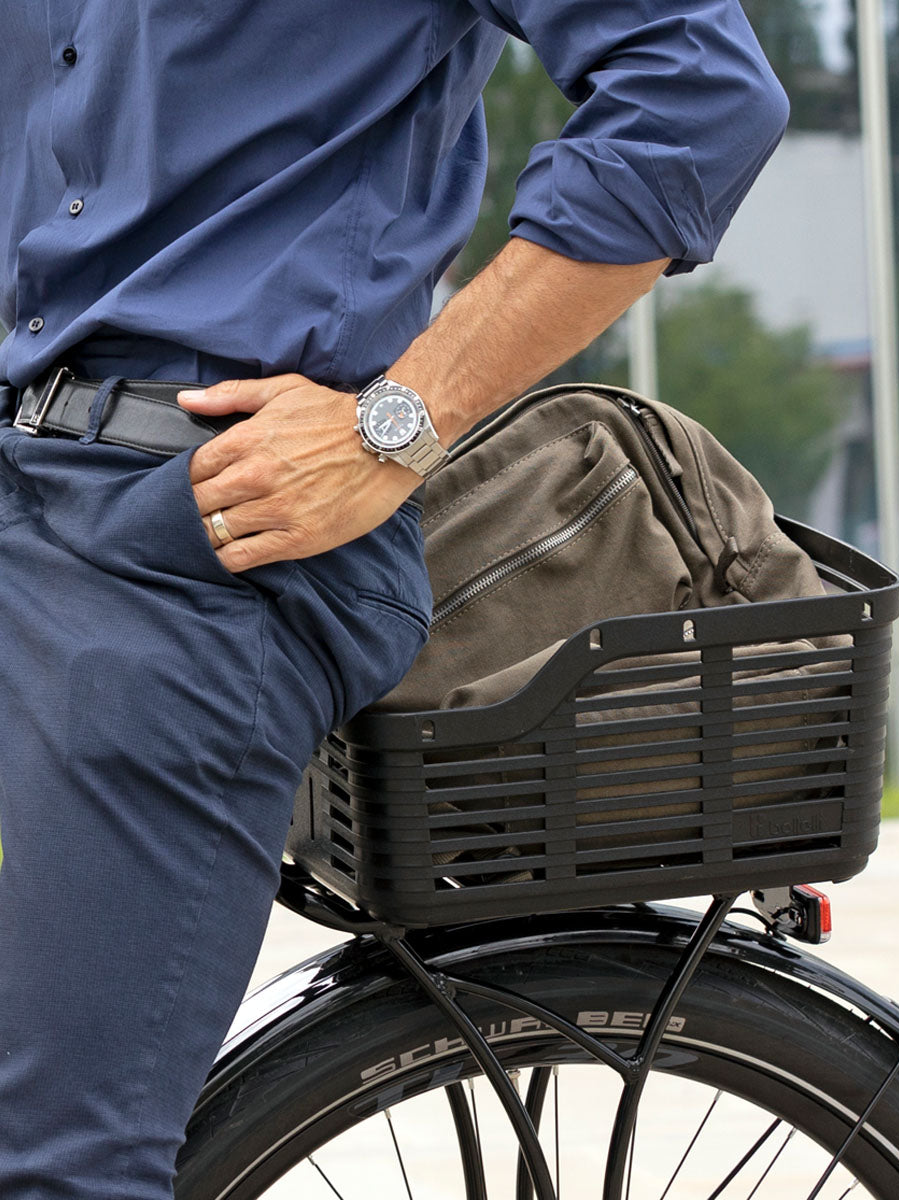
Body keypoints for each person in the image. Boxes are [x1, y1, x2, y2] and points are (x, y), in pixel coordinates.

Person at [0, 2, 788, 1195]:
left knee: (52, 1163)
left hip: (199, 529)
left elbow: (700, 94)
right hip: (25, 470)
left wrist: (394, 428)